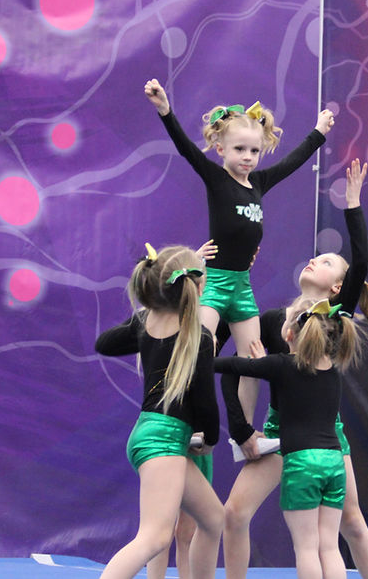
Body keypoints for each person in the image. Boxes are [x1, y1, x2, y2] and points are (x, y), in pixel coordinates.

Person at [219, 159, 368, 579]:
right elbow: (234, 367)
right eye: (316, 256)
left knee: (351, 522)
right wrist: (241, 431)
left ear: (335, 288)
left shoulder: (335, 314)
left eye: (327, 261)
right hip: (279, 430)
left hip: (327, 434)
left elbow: (361, 263)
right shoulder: (274, 321)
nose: (315, 260)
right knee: (235, 513)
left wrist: (352, 204)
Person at [144, 78, 335, 430]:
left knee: (254, 359)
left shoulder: (259, 184)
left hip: (242, 287)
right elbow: (186, 149)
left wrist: (318, 132)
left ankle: (244, 434)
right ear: (220, 149)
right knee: (199, 351)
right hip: (215, 283)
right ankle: (191, 422)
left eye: (254, 151)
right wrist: (165, 110)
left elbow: (293, 161)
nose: (247, 158)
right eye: (239, 150)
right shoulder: (217, 180)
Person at [215, 295, 367, 579]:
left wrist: (203, 359)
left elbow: (235, 367)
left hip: (302, 463)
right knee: (329, 547)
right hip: (334, 462)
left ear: (288, 334)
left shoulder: (281, 365)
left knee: (307, 548)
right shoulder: (332, 371)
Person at [95, 244, 223, 579]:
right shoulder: (199, 337)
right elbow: (206, 403)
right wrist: (209, 439)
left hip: (156, 435)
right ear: (196, 288)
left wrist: (146, 310)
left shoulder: (147, 324)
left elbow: (105, 343)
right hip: (163, 440)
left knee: (213, 519)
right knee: (154, 537)